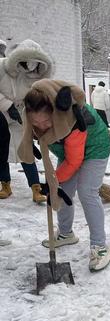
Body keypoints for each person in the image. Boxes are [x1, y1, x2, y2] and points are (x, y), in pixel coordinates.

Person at [19, 79, 110, 272]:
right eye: (35, 122)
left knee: (87, 192)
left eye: (46, 121)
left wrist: (52, 181)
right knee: (61, 191)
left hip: (95, 148)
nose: (42, 126)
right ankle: (66, 233)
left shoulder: (72, 119)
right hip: (68, 152)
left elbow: (74, 162)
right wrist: (55, 184)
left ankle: (100, 246)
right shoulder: (36, 120)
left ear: (55, 113)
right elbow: (32, 136)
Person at [0, 39, 52, 203]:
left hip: (22, 115)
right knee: (1, 151)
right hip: (1, 115)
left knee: (26, 152)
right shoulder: (1, 67)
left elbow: (38, 97)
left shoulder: (36, 75)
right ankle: (5, 185)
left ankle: (36, 188)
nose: (30, 68)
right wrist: (7, 106)